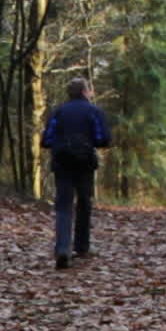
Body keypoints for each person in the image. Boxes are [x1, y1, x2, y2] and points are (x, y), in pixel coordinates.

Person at [40, 77, 111, 269]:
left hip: (62, 162)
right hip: (85, 163)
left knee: (63, 206)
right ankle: (81, 246)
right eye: (89, 90)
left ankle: (63, 249)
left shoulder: (58, 112)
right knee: (84, 203)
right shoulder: (94, 112)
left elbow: (46, 140)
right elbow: (103, 139)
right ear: (84, 92)